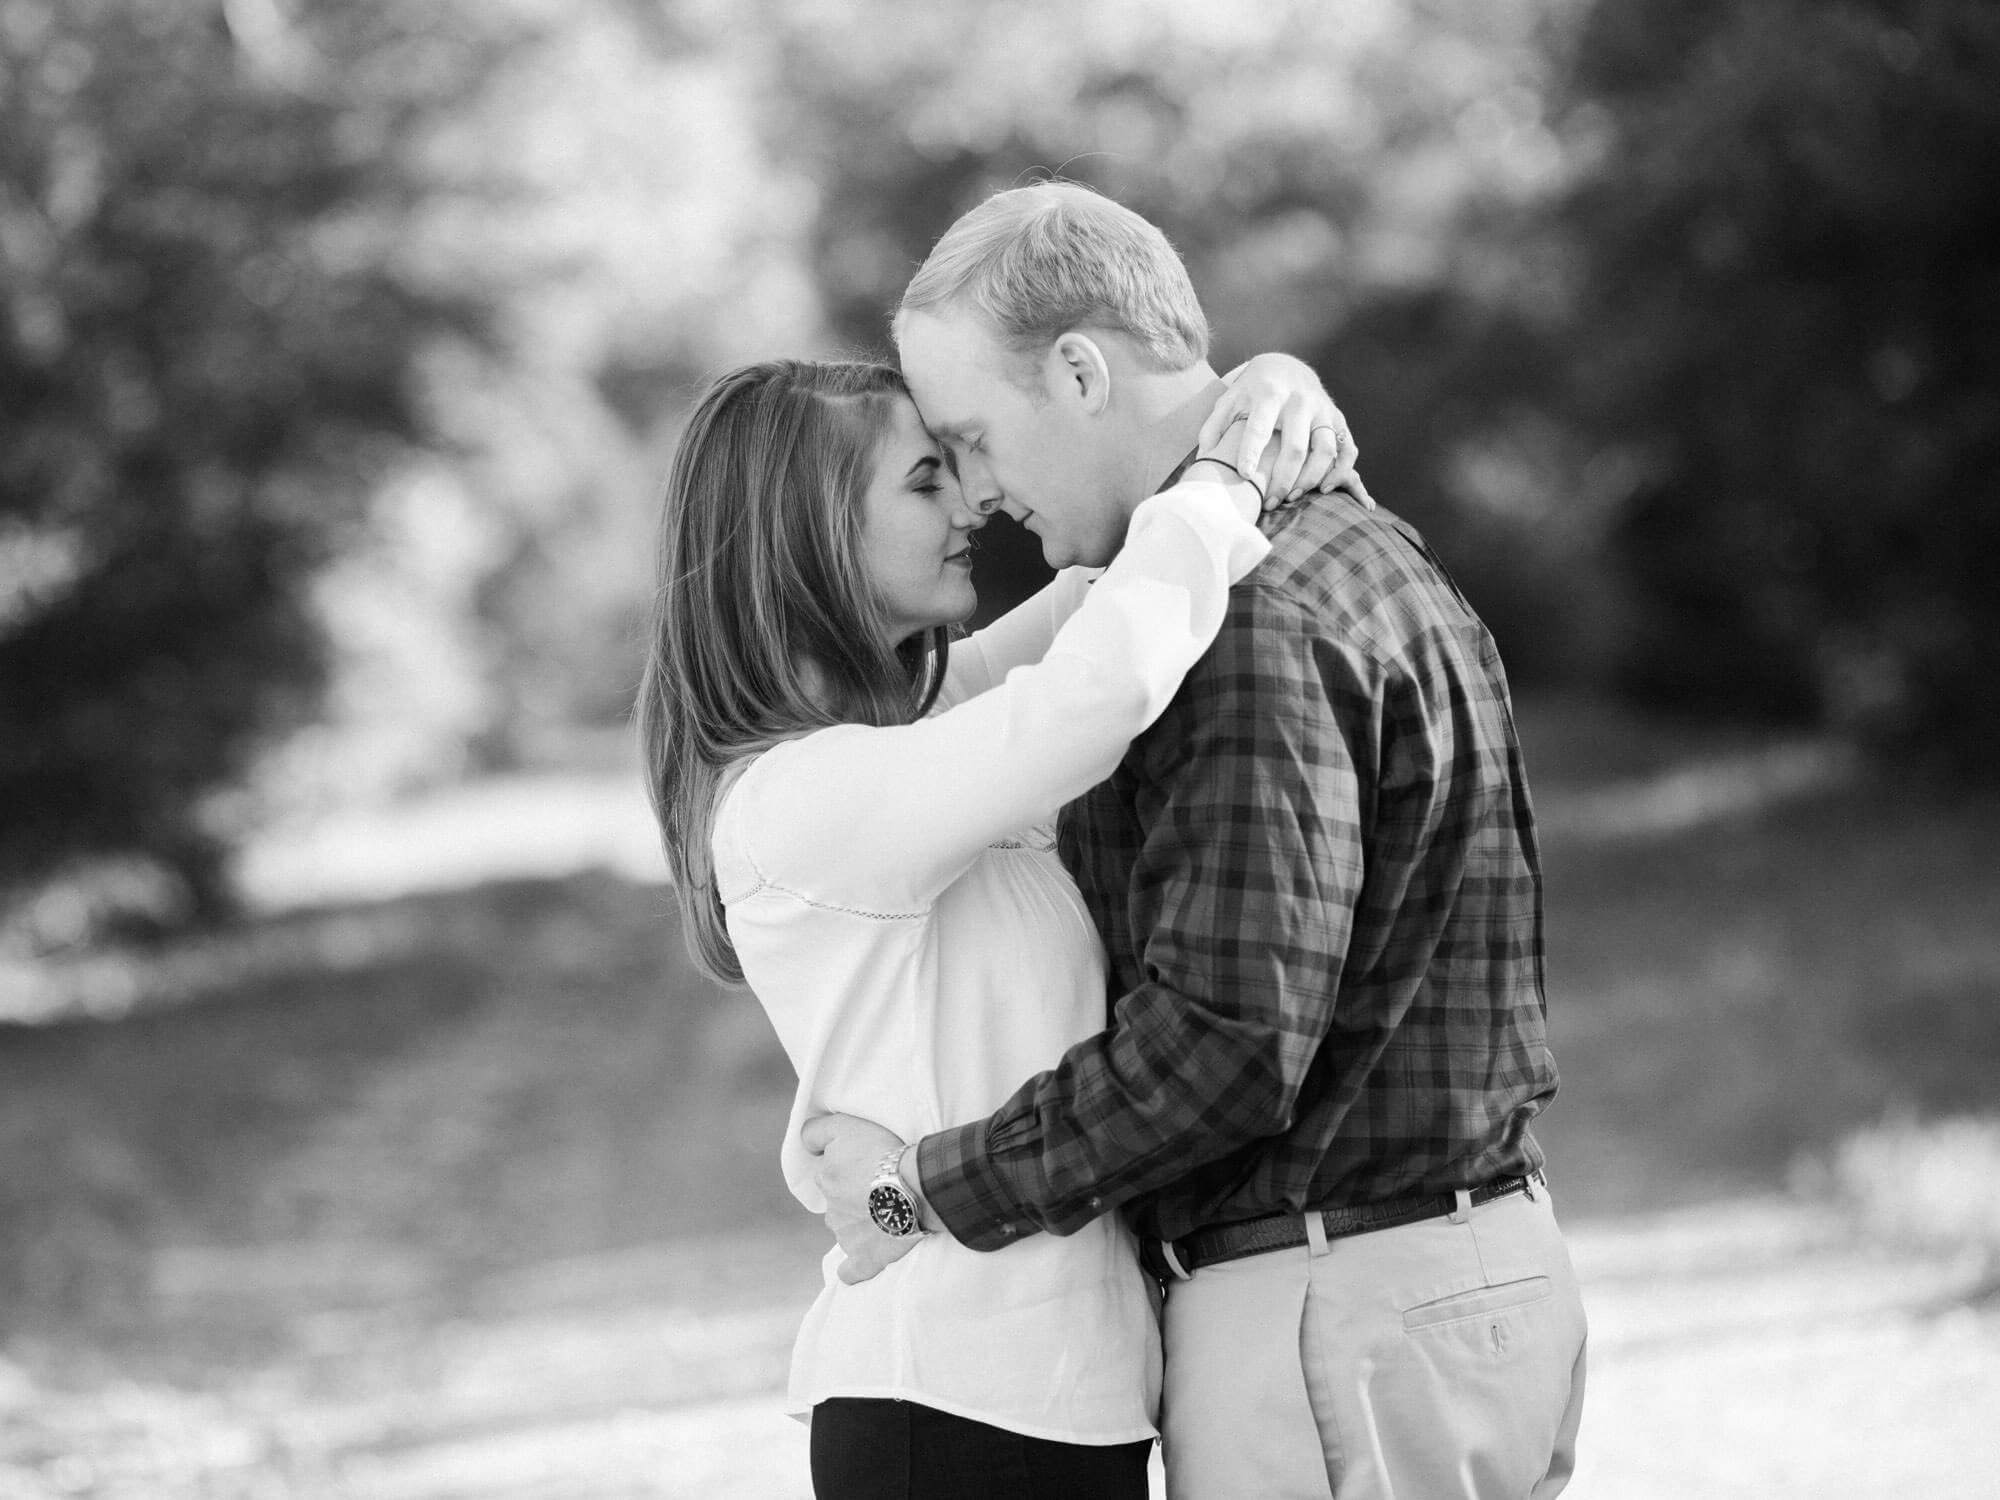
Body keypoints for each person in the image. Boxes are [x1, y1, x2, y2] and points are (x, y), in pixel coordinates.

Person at [803, 181, 1589, 1499]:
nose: (981, 494)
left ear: (1079, 371)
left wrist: (930, 1192)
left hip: (1335, 1312)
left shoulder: (1243, 623)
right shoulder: (1329, 549)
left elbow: (1225, 1042)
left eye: (977, 439)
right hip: (1425, 1287)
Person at [637, 347, 1360, 1498]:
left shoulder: (909, 742)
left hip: (1051, 1397)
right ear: (809, 537)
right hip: (954, 1408)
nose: (970, 501)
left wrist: (1256, 390)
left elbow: (1112, 591)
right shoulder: (799, 799)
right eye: (924, 482)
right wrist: (1223, 470)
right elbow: (1098, 689)